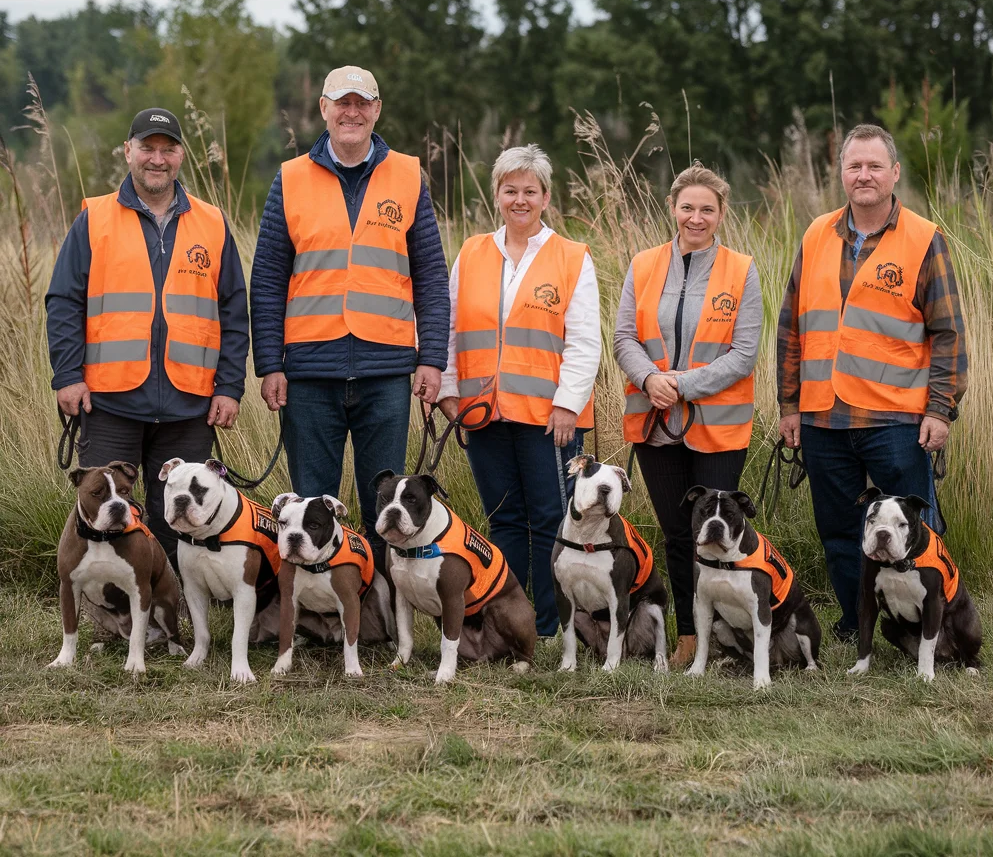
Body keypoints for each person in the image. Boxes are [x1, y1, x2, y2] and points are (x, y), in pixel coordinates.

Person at [250, 66, 450, 567]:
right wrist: (269, 364)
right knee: (311, 506)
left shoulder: (407, 175)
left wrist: (432, 359)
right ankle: (320, 619)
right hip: (309, 372)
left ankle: (380, 608)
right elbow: (269, 279)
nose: (352, 112)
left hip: (386, 372)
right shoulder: (290, 178)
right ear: (324, 108)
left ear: (377, 110)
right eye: (343, 102)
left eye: (363, 103)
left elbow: (430, 275)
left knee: (386, 507)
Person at [777, 123, 967, 641]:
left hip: (898, 420)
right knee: (841, 533)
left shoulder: (925, 238)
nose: (864, 175)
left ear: (894, 173)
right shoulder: (816, 234)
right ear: (842, 173)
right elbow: (791, 326)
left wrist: (940, 409)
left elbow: (948, 333)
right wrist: (789, 405)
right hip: (822, 417)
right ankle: (856, 623)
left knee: (918, 535)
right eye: (854, 166)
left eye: (874, 166)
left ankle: (938, 627)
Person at [45, 107, 250, 559]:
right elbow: (63, 302)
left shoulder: (212, 223)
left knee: (181, 519)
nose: (157, 159)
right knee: (103, 516)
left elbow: (235, 311)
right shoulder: (94, 219)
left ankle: (174, 618)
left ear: (181, 156)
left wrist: (230, 387)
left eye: (168, 149)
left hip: (189, 404)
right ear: (128, 151)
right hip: (109, 401)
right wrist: (67, 376)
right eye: (147, 148)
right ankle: (112, 616)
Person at [437, 144, 601, 638]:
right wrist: (448, 389)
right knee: (503, 519)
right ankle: (508, 620)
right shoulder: (471, 253)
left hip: (546, 417)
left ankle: (550, 626)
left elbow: (584, 340)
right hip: (482, 414)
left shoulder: (572, 258)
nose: (520, 200)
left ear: (546, 198)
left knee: (551, 519)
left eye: (530, 191)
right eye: (511, 190)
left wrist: (568, 405)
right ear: (497, 196)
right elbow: (449, 329)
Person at [614, 162, 763, 667]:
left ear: (721, 214)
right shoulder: (643, 265)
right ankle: (688, 636)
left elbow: (744, 353)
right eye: (687, 207)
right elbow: (623, 338)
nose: (695, 217)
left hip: (718, 428)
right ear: (673, 209)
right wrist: (650, 379)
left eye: (707, 209)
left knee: (721, 536)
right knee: (680, 535)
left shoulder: (741, 270)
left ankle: (733, 633)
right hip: (655, 426)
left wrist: (679, 385)